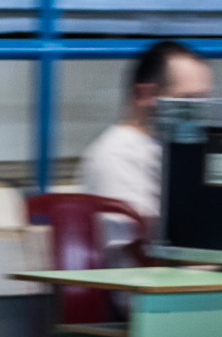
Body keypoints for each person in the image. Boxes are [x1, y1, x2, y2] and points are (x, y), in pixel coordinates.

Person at [78, 39, 212, 221]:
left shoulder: (171, 150)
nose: (200, 112)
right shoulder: (115, 157)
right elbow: (138, 238)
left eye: (203, 100)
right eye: (188, 99)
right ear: (145, 94)